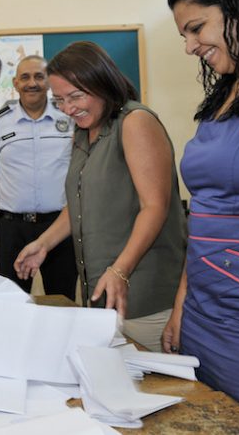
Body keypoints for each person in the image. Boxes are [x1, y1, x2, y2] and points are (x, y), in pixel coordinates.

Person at [14, 41, 186, 352]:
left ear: (102, 82)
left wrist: (120, 269)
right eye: (59, 100)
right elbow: (80, 205)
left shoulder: (135, 122)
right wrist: (44, 243)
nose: (68, 108)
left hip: (143, 299)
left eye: (76, 96)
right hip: (100, 298)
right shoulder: (83, 131)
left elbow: (155, 206)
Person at [163, 0, 239, 417]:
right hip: (205, 314)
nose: (190, 46)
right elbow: (202, 216)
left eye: (196, 28)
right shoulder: (225, 95)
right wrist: (181, 306)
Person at [0, 55, 78, 300]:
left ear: (49, 82)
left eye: (39, 76)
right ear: (15, 83)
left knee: (62, 298)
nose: (32, 83)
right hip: (11, 228)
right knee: (12, 301)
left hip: (59, 226)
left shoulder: (69, 119)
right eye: (25, 77)